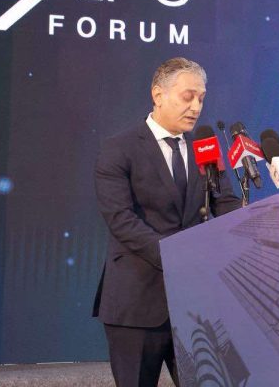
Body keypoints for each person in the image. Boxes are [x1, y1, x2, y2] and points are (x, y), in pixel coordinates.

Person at [93, 57, 241, 386]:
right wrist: (180, 257)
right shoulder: (119, 149)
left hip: (196, 304)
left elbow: (226, 203)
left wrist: (255, 222)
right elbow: (121, 220)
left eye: (201, 98)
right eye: (188, 96)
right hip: (137, 302)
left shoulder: (205, 149)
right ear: (158, 95)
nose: (196, 106)